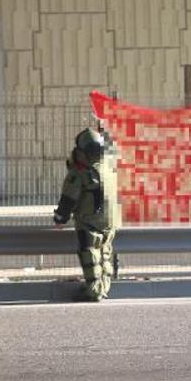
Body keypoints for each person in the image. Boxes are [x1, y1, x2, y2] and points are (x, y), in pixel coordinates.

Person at [53, 126, 120, 301]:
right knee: (105, 252)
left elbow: (68, 199)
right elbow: (114, 148)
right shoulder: (108, 166)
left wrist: (60, 218)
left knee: (90, 254)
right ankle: (103, 287)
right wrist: (105, 133)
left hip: (89, 220)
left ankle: (94, 290)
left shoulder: (80, 173)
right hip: (110, 220)